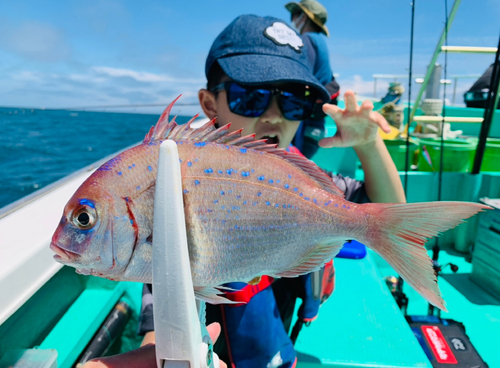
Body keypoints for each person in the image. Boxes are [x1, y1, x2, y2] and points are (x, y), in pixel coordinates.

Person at [84, 14, 404, 368]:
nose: (274, 116)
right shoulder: (172, 191)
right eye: (250, 98)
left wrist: (370, 145)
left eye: (295, 102)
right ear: (209, 104)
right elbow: (164, 319)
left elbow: (388, 211)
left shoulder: (305, 182)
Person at [285, 0, 340, 159]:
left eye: (295, 14)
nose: (292, 19)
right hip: (317, 125)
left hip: (305, 125)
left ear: (304, 17)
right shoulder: (320, 41)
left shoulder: (306, 39)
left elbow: (301, 76)